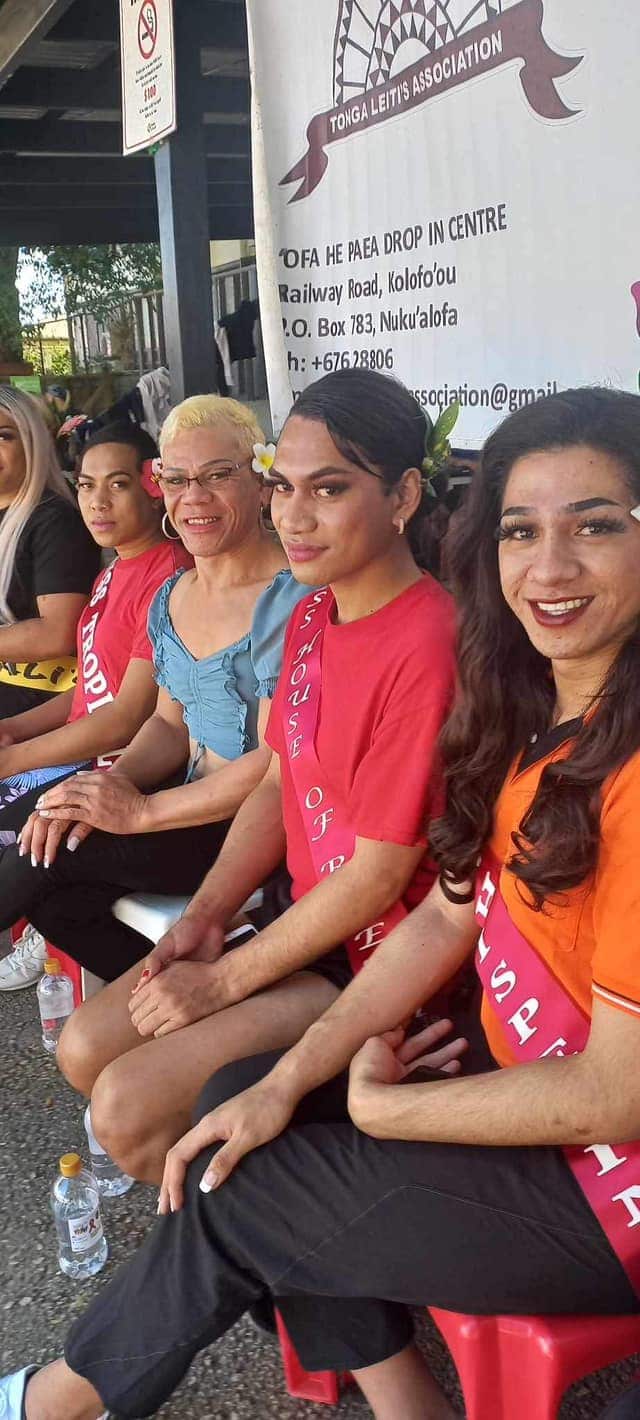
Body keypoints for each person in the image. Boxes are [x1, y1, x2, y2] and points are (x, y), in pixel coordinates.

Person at [5, 386, 640, 1420]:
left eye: (596, 527)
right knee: (241, 1123)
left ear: (400, 499)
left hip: (605, 1182)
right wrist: (282, 1053)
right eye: (522, 530)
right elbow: (441, 904)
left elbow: (616, 1091)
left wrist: (376, 1101)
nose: (551, 567)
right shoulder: (538, 715)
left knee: (241, 1175)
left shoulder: (462, 662)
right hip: (519, 1080)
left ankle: (52, 1402)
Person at [13, 370, 458, 1188]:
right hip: (297, 918)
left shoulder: (426, 642)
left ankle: (266, 1238)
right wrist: (209, 917)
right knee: (84, 1046)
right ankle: (249, 1227)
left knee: (125, 1105)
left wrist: (222, 981)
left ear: (403, 496)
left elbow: (378, 876)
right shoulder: (317, 611)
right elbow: (277, 781)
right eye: (284, 486)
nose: (293, 514)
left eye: (328, 489)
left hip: (370, 960)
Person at [0, 394, 305, 995]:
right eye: (178, 478)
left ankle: (202, 1003)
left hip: (249, 828)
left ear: (261, 481)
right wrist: (112, 782)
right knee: (44, 838)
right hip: (181, 798)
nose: (195, 497)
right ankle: (172, 1002)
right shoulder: (175, 594)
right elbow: (167, 725)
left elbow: (274, 767)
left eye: (219, 475)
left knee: (48, 853)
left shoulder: (292, 597)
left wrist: (138, 810)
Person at [0, 421, 192, 989]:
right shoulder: (113, 572)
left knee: (28, 846)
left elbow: (127, 717)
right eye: (85, 486)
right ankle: (155, 999)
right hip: (86, 758)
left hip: (129, 771)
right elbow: (85, 694)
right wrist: (11, 731)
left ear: (153, 486)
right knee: (44, 879)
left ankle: (179, 998)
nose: (97, 503)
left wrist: (16, 760)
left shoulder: (169, 573)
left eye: (117, 485)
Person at [0, 386, 100, 719]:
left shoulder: (55, 519)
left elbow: (56, 633)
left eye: (4, 436)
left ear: (32, 443)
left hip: (40, 700)